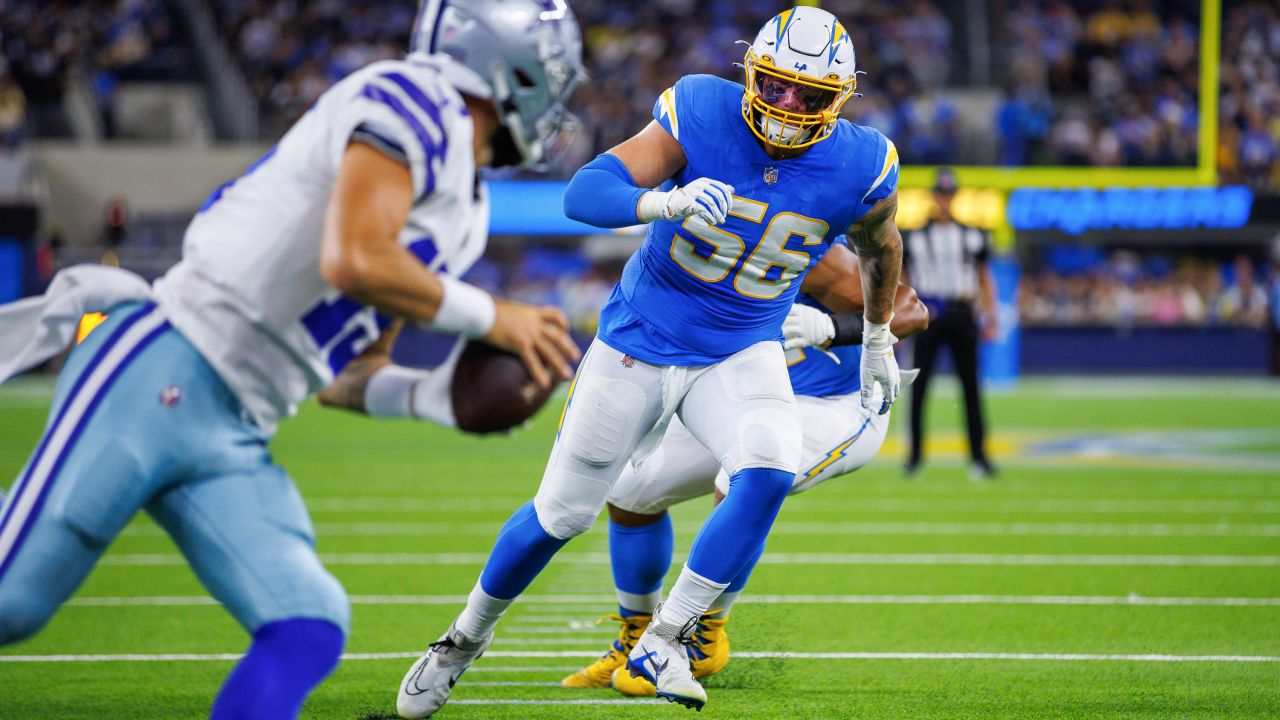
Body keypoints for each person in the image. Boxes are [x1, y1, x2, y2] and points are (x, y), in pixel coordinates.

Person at [0, 2, 584, 718]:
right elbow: (354, 259)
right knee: (12, 601)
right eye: (550, 74)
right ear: (506, 61)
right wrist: (493, 314)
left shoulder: (465, 209)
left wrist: (439, 399)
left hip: (236, 427)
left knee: (307, 624)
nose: (555, 99)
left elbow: (348, 377)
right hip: (162, 365)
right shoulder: (412, 100)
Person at [397, 7, 905, 715]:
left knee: (766, 469)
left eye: (810, 95)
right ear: (750, 73)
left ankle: (667, 638)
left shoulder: (863, 160)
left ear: (841, 99)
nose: (789, 107)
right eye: (778, 86)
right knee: (561, 514)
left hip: (739, 349)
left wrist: (874, 335)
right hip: (638, 341)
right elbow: (583, 193)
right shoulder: (700, 107)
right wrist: (660, 202)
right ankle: (458, 642)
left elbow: (882, 249)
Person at [560, 248, 928, 694]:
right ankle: (636, 633)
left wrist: (833, 327)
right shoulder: (688, 246)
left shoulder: (800, 246)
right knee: (632, 489)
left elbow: (911, 310)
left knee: (741, 480)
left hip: (836, 401)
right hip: (745, 397)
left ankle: (702, 634)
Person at [903, 167, 998, 479]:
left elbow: (984, 276)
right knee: (919, 387)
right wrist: (898, 317)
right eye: (940, 193)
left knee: (971, 387)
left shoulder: (972, 234)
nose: (944, 199)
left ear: (954, 196)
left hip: (960, 311)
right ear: (934, 196)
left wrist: (991, 314)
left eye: (948, 194)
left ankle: (979, 458)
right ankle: (914, 458)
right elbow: (902, 278)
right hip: (927, 312)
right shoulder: (915, 236)